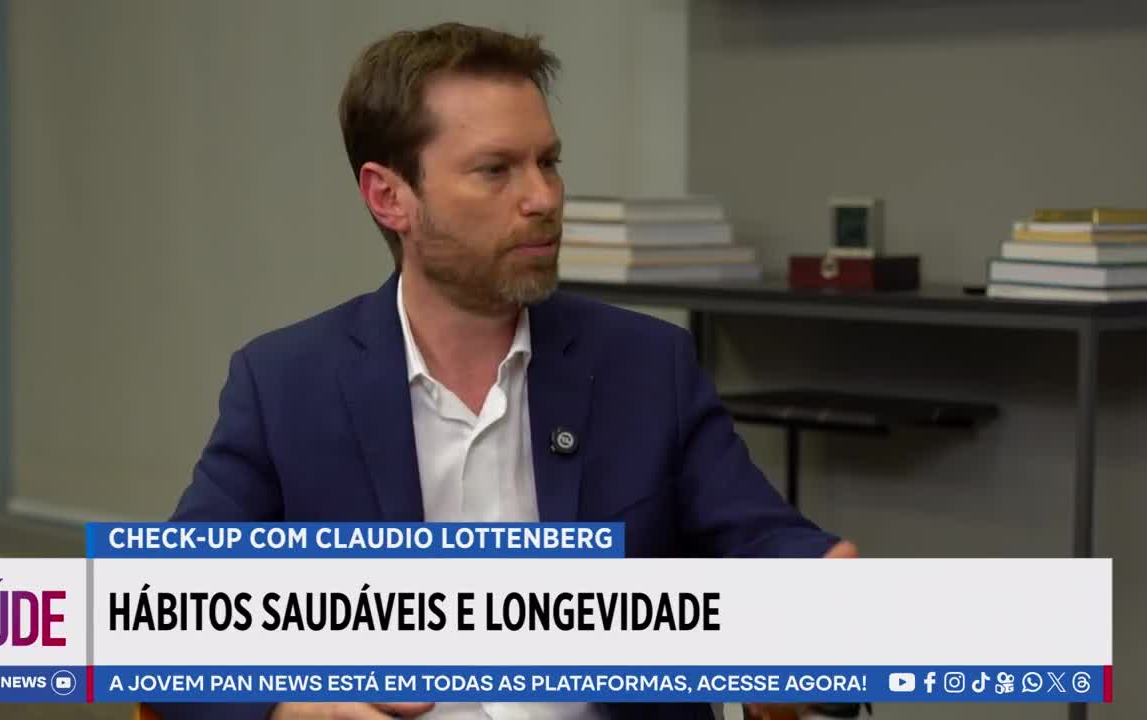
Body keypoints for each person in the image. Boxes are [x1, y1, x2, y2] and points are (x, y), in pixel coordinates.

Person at [155, 21, 857, 720]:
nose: (544, 198)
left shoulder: (643, 366)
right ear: (388, 196)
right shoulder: (285, 386)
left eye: (547, 162)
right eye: (496, 170)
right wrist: (297, 709)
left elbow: (760, 539)